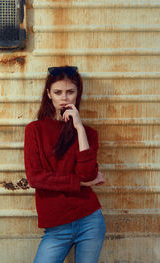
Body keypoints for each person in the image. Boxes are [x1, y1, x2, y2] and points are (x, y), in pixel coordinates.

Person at [24, 66, 106, 263]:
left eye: (70, 92)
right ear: (48, 94)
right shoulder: (35, 130)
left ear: (78, 94)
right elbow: (35, 177)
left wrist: (78, 127)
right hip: (56, 227)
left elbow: (87, 174)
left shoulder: (88, 133)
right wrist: (77, 184)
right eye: (58, 92)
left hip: (89, 220)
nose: (64, 98)